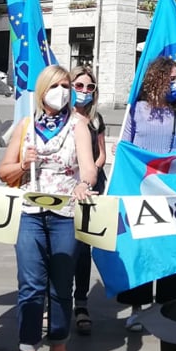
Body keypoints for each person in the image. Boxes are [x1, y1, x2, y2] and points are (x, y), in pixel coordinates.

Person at [0, 65, 98, 351]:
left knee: (60, 287)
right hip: (30, 213)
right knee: (30, 287)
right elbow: (4, 172)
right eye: (57, 85)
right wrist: (23, 163)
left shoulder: (79, 125)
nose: (64, 91)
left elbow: (89, 168)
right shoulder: (26, 125)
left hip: (65, 215)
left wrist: (85, 184)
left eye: (67, 85)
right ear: (42, 90)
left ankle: (59, 348)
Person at [115, 57, 176, 330]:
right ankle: (137, 307)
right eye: (171, 78)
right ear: (156, 79)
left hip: (169, 191)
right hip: (140, 190)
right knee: (143, 248)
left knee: (167, 248)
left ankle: (166, 305)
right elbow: (126, 144)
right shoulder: (137, 110)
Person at [68, 66, 108, 336]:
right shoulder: (60, 118)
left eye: (89, 87)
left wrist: (90, 171)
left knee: (83, 249)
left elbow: (103, 152)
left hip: (91, 187)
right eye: (78, 85)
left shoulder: (95, 120)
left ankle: (80, 302)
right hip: (64, 187)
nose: (83, 91)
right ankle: (53, 301)